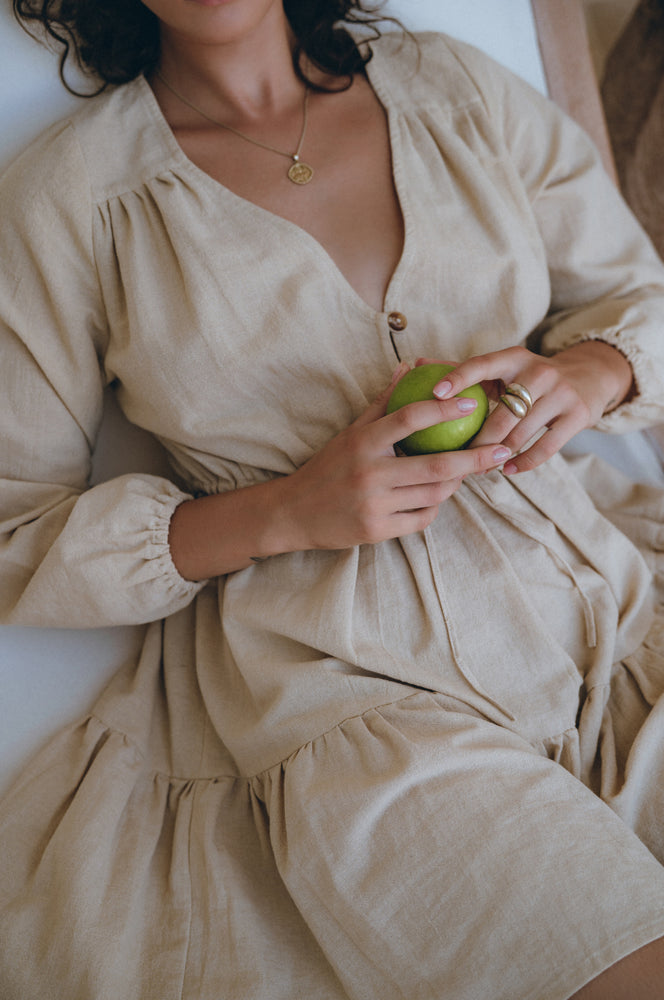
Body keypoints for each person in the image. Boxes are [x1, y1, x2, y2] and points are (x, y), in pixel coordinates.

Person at [2, 1, 664, 997]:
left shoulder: (450, 89)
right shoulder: (73, 195)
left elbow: (637, 299)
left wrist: (591, 371)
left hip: (616, 614)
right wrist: (289, 509)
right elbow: (16, 532)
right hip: (355, 696)